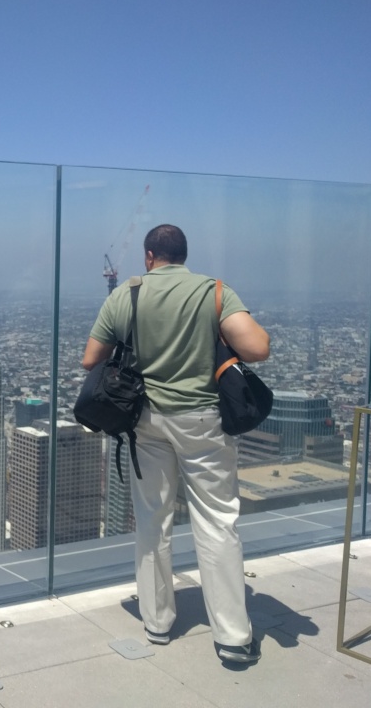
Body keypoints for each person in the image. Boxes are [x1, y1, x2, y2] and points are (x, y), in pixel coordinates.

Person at [82, 224, 270, 665]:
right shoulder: (214, 292)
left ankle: (158, 623)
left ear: (149, 257)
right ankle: (232, 636)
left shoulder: (126, 295)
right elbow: (258, 347)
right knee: (218, 522)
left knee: (153, 520)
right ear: (184, 255)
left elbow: (91, 359)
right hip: (204, 422)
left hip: (147, 421)